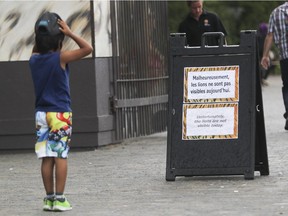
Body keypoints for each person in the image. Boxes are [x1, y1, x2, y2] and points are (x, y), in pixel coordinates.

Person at [29, 12, 93, 211]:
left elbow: (37, 47)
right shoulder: (61, 58)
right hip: (60, 115)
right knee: (60, 156)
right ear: (59, 39)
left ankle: (48, 199)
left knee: (46, 157)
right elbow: (87, 48)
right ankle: (60, 199)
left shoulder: (33, 59)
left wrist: (40, 34)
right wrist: (70, 32)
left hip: (41, 114)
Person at [261, 2, 288, 130]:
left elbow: (270, 35)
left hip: (285, 58)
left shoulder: (276, 12)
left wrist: (265, 55)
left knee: (287, 87)